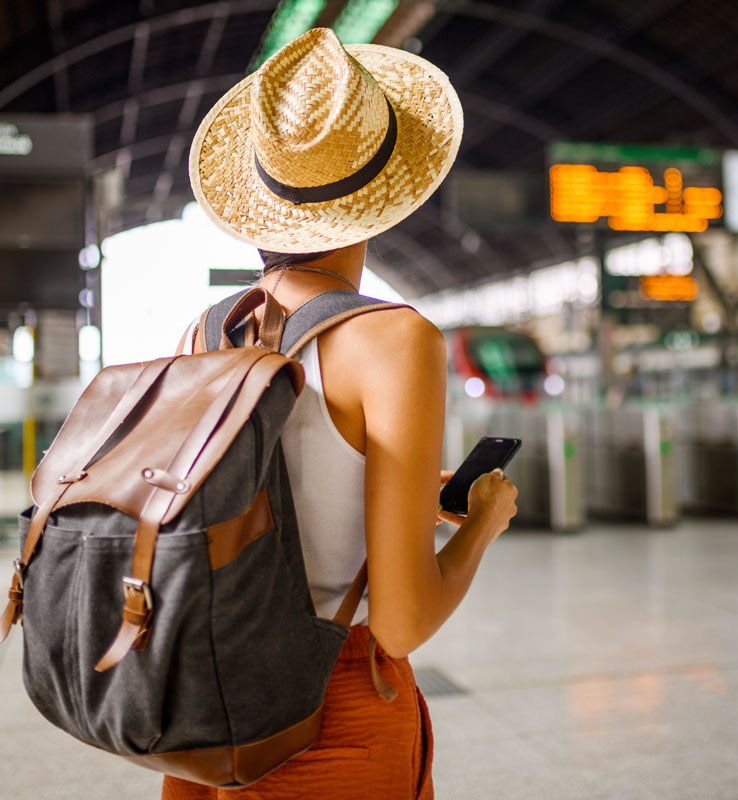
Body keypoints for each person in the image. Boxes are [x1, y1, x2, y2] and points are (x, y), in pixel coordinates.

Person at [163, 27, 517, 799]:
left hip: (204, 710)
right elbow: (400, 623)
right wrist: (483, 523)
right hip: (332, 717)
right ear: (380, 197)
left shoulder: (206, 329)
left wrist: (411, 498)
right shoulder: (394, 338)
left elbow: (258, 500)